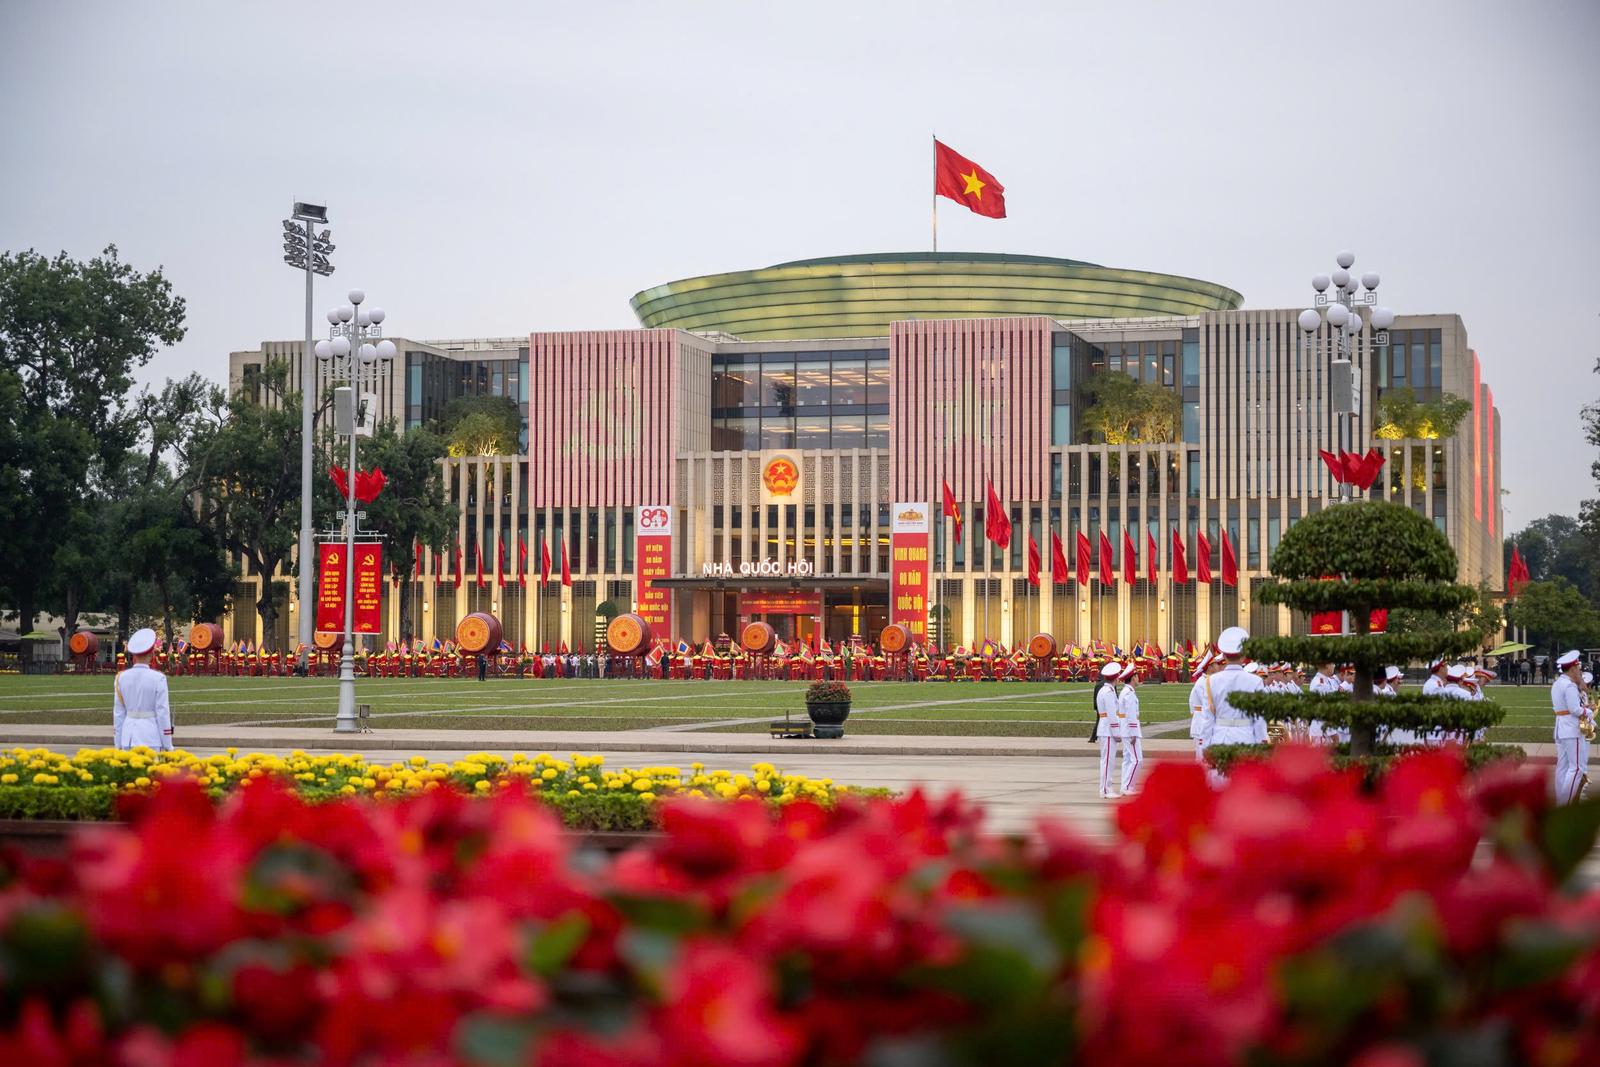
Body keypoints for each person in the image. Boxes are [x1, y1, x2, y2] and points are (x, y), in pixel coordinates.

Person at [1201, 627, 1268, 776]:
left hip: (1220, 739)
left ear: (1224, 656)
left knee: (1220, 785)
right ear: (1244, 656)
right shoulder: (1255, 681)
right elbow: (1259, 719)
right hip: (1246, 738)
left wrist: (1205, 748)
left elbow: (1207, 720)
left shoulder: (1211, 681)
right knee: (1244, 784)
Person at [113, 628, 173, 752]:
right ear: (151, 654)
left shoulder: (121, 678)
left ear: (134, 655)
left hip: (127, 737)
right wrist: (167, 744)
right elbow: (162, 712)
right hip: (150, 737)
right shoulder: (158, 678)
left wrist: (118, 742)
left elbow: (118, 714)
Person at [1552, 650, 1590, 805]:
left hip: (1561, 727)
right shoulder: (1569, 685)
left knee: (1563, 767)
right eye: (1578, 668)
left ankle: (1560, 800)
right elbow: (1575, 709)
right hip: (1571, 728)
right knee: (1576, 768)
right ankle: (1565, 804)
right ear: (1573, 669)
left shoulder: (1557, 683)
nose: (1579, 671)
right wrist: (1588, 711)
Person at [1095, 661, 1124, 799]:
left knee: (1108, 760)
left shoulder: (1106, 690)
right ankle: (1106, 789)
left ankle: (1107, 787)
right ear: (1115, 678)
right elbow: (1112, 715)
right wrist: (1117, 732)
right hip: (1108, 730)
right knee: (1107, 761)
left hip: (1106, 728)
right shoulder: (1108, 692)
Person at [1116, 662, 1144, 795]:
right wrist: (1134, 733)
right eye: (1137, 676)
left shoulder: (1126, 692)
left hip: (1125, 729)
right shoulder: (1129, 694)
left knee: (1128, 759)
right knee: (1137, 760)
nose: (1139, 678)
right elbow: (1131, 715)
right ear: (1133, 678)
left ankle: (1125, 785)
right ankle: (1128, 787)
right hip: (1130, 730)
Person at [1187, 649, 1219, 763]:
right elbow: (1208, 704)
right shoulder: (1202, 682)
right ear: (1210, 667)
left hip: (1203, 719)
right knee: (1201, 757)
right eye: (1215, 664)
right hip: (1202, 721)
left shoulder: (1207, 681)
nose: (1218, 666)